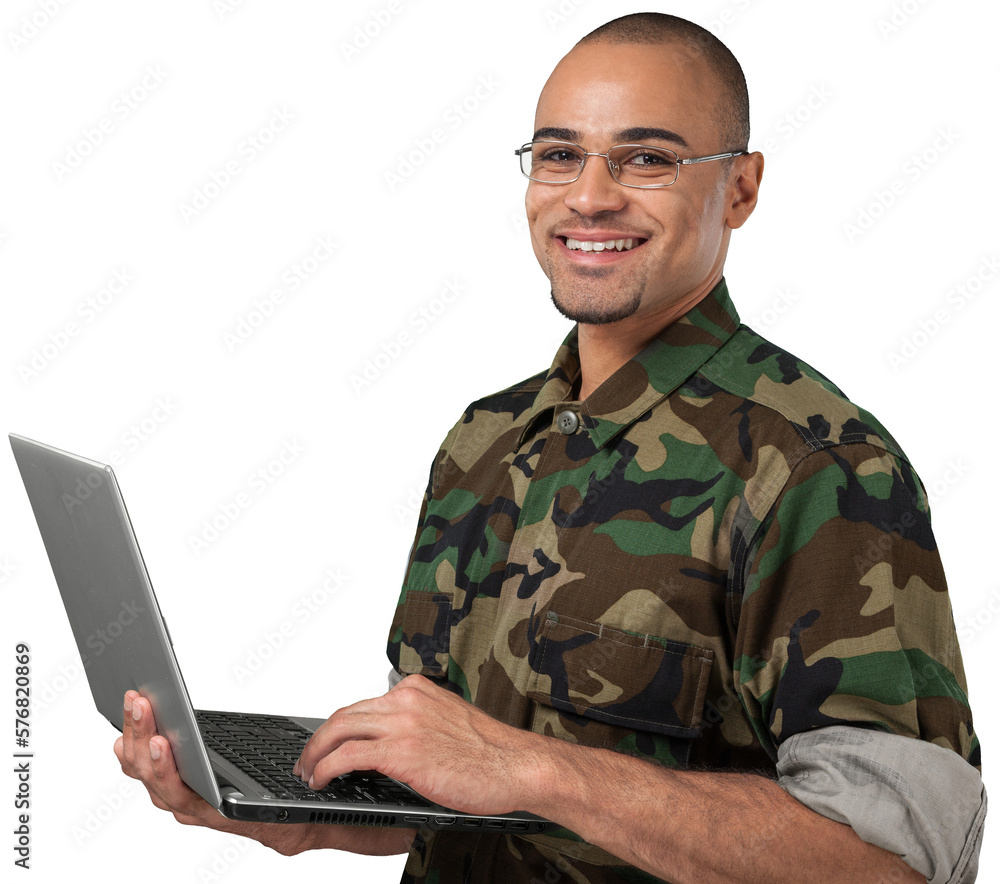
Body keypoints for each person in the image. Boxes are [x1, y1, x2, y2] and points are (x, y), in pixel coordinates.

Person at [116, 12, 986, 883]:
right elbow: (455, 792)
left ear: (741, 188)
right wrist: (302, 813)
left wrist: (526, 768)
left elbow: (894, 862)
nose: (590, 195)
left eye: (647, 158)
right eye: (560, 154)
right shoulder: (482, 443)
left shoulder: (818, 466)